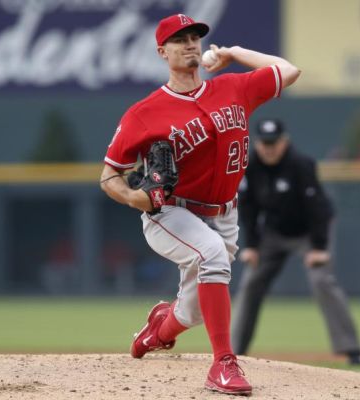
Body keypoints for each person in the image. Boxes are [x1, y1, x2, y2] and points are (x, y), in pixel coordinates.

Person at [99, 14, 300, 396]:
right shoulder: (144, 113)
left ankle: (158, 330)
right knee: (212, 258)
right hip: (171, 212)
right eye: (179, 39)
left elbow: (288, 70)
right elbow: (109, 174)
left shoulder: (234, 88)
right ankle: (223, 364)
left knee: (191, 310)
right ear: (162, 52)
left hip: (224, 213)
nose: (190, 43)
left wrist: (236, 53)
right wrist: (131, 196)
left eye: (194, 37)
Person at [231, 119, 360, 365]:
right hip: (273, 234)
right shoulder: (250, 167)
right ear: (257, 143)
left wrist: (319, 247)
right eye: (264, 143)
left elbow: (318, 209)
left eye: (274, 142)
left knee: (321, 280)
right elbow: (248, 208)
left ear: (284, 141)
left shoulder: (300, 165)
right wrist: (251, 245)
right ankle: (234, 351)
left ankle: (352, 348)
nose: (269, 148)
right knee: (251, 283)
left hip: (309, 233)